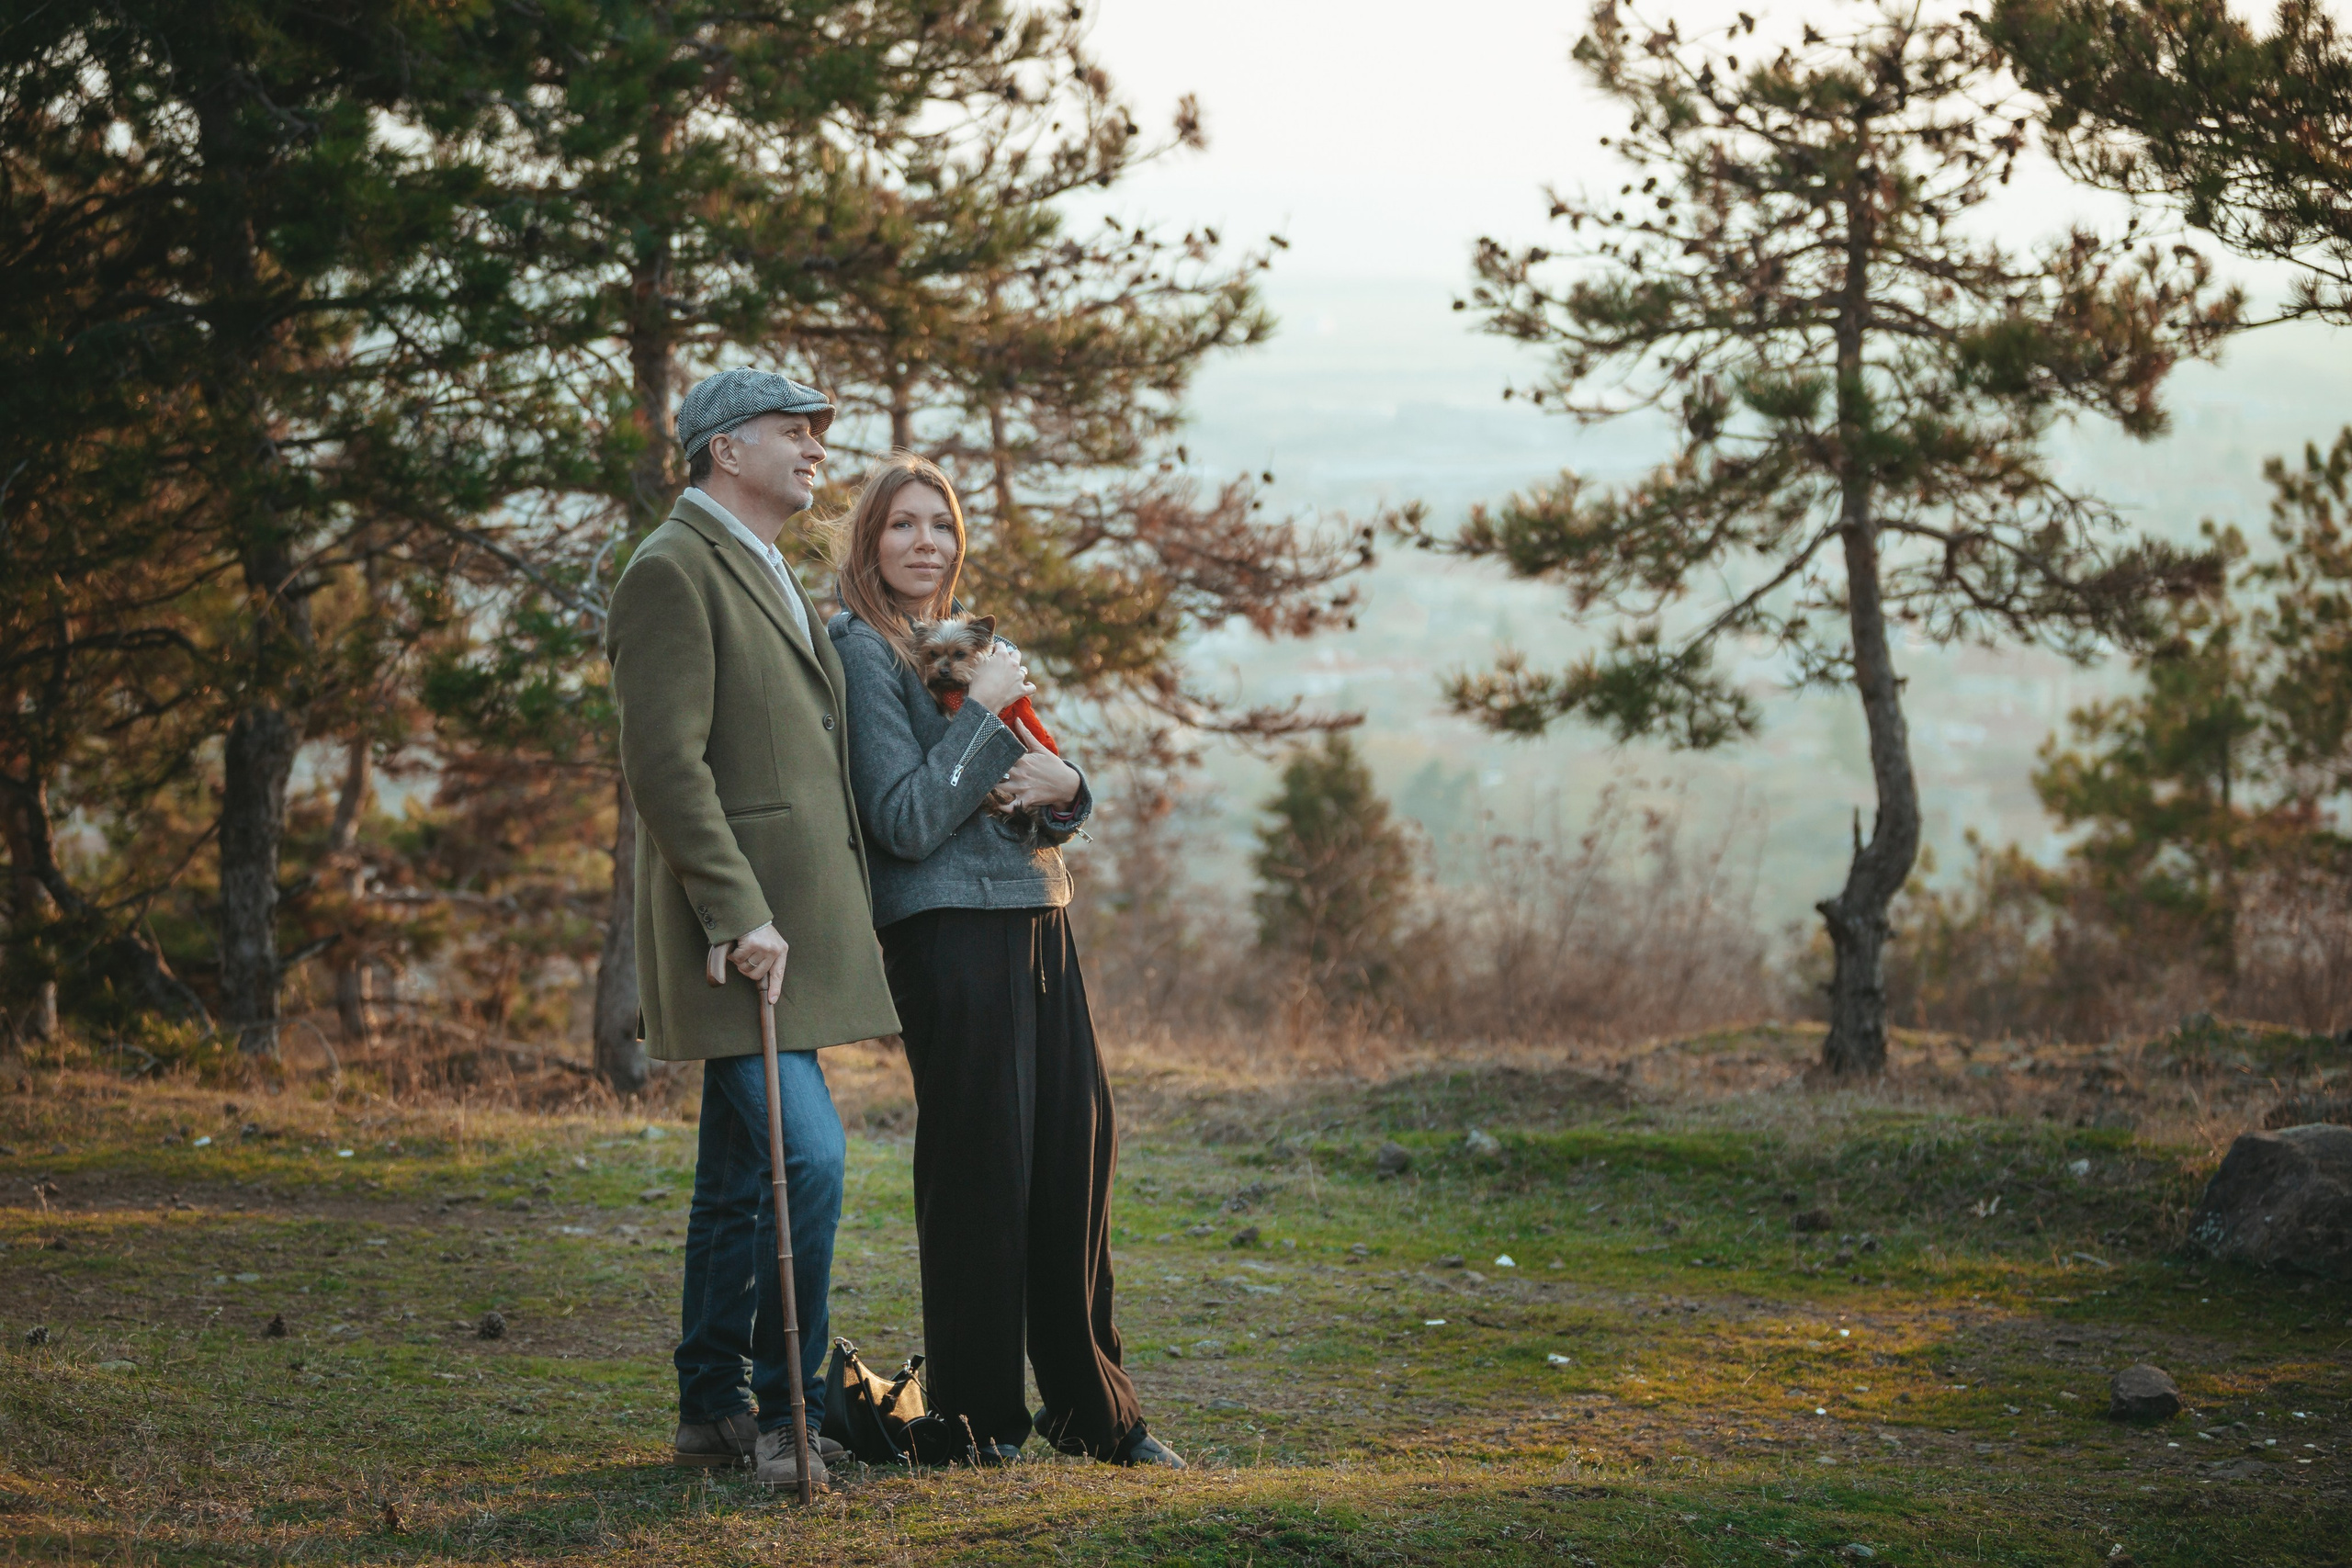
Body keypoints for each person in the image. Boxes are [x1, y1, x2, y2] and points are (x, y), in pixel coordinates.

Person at [826, 454, 1184, 1470]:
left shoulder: (959, 642)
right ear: (869, 540)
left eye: (937, 524)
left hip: (1035, 915)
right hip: (945, 931)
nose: (923, 542)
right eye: (900, 525)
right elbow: (900, 819)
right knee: (981, 1172)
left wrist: (1069, 784)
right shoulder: (861, 651)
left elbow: (1037, 785)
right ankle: (977, 1421)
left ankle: (1095, 1413)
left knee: (1075, 1159)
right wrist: (985, 709)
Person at [605, 368, 900, 1492]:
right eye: (795, 430)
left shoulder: (765, 562)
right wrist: (740, 914)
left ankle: (707, 1411)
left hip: (791, 935)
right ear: (727, 450)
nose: (816, 448)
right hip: (734, 939)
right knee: (808, 1160)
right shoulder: (671, 570)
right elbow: (665, 770)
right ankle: (786, 1420)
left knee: (738, 1180)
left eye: (817, 431)